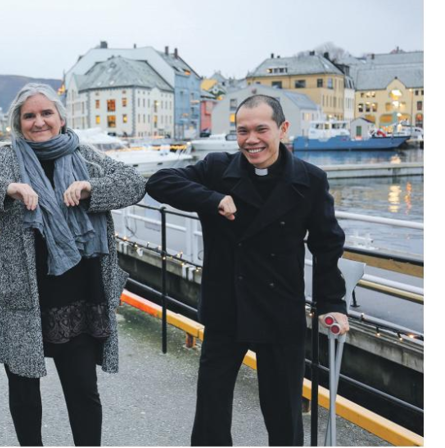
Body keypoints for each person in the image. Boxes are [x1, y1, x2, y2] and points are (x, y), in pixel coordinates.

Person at [0, 83, 145, 446]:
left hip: (79, 296)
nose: (39, 122)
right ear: (18, 123)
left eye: (46, 113)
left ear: (61, 118)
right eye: (29, 116)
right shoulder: (7, 158)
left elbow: (133, 183)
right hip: (23, 295)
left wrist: (89, 189)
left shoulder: (84, 156)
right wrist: (9, 189)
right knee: (23, 393)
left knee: (83, 392)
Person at [146, 94, 349, 446]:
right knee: (212, 404)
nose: (251, 140)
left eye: (261, 129)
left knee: (283, 409)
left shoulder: (310, 180)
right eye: (242, 131)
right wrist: (212, 200)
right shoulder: (216, 169)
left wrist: (332, 303)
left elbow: (327, 244)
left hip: (280, 307)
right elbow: (159, 182)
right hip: (228, 304)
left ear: (283, 129)